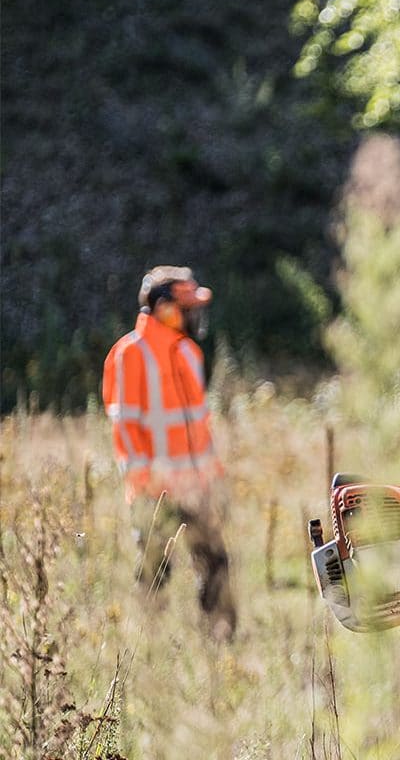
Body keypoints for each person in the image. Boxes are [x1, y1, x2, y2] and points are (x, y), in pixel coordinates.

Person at [102, 265, 237, 640]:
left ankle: (221, 646)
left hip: (196, 487)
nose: (195, 315)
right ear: (164, 308)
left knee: (216, 565)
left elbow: (197, 427)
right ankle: (145, 654)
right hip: (155, 493)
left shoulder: (189, 353)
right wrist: (146, 485)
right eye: (188, 306)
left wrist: (213, 479)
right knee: (153, 575)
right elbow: (125, 428)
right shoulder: (130, 354)